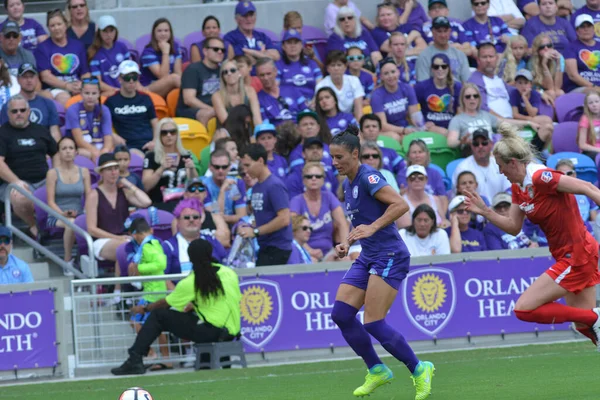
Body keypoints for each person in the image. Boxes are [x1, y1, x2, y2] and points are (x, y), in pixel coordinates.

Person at [464, 122, 600, 347]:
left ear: (514, 163)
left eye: (501, 166)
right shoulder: (518, 187)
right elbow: (513, 226)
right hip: (569, 255)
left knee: (523, 309)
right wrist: (486, 211)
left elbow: (587, 187)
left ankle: (595, 317)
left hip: (577, 255)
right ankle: (594, 319)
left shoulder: (541, 177)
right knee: (584, 326)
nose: (500, 172)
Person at [328, 126, 434, 398]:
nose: (334, 162)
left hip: (390, 254)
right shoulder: (347, 184)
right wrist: (347, 243)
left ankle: (419, 368)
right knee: (341, 314)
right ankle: (376, 369)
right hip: (369, 255)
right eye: (332, 157)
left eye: (339, 157)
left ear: (355, 154)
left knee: (373, 322)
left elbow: (400, 205)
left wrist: (372, 228)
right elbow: (361, 224)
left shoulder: (369, 176)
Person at [111, 238, 241, 376]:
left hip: (211, 332)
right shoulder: (229, 273)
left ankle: (135, 359)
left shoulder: (193, 281)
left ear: (190, 257)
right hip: (232, 331)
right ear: (210, 252)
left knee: (158, 315)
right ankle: (205, 364)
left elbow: (166, 303)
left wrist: (144, 309)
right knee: (197, 319)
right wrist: (195, 304)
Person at [0, 95, 57, 238]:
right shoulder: (2, 133)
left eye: (22, 110)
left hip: (44, 180)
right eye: (14, 111)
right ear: (8, 114)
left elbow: (56, 154)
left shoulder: (41, 130)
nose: (19, 113)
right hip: (13, 183)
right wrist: (15, 181)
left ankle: (50, 227)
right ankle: (35, 226)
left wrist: (55, 175)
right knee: (20, 197)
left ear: (29, 111)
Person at [86, 153, 151, 264]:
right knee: (128, 247)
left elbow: (146, 202)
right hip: (102, 240)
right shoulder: (94, 195)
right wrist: (116, 238)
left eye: (116, 168)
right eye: (109, 169)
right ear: (101, 172)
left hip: (124, 237)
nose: (114, 172)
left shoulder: (123, 191)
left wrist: (129, 185)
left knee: (149, 245)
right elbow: (92, 229)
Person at [124, 216, 170, 371]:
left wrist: (140, 270)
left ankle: (154, 354)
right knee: (157, 327)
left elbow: (161, 264)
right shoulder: (153, 243)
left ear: (136, 234)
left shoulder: (149, 246)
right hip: (153, 291)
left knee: (135, 321)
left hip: (153, 293)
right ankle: (164, 358)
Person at [239, 144, 293, 266]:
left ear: (260, 161)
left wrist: (256, 231)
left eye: (248, 165)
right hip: (266, 246)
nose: (246, 170)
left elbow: (284, 219)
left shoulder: (274, 185)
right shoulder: (257, 186)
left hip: (277, 248)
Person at [46, 137, 91, 268]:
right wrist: (62, 214)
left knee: (79, 221)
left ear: (76, 152)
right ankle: (67, 261)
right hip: (56, 215)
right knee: (71, 223)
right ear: (59, 153)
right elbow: (50, 201)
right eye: (64, 148)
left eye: (71, 148)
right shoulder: (52, 173)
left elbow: (89, 196)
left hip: (79, 213)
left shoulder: (84, 172)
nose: (68, 151)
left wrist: (86, 212)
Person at [290, 161, 348, 260]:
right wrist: (310, 251)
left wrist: (344, 247)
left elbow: (342, 223)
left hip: (329, 251)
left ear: (323, 180)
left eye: (318, 176)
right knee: (313, 262)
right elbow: (292, 230)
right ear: (303, 180)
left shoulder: (329, 197)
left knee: (345, 259)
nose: (313, 179)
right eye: (309, 176)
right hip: (305, 251)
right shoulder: (297, 201)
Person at [34, 9, 90, 107]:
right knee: (64, 98)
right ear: (48, 28)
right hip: (55, 88)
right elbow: (45, 76)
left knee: (91, 95)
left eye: (59, 24)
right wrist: (66, 86)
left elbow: (85, 73)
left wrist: (82, 84)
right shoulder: (43, 48)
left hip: (77, 85)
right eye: (52, 25)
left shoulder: (78, 45)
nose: (56, 28)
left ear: (66, 24)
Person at [163, 199, 228, 281]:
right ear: (178, 221)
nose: (191, 220)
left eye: (196, 217)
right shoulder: (168, 246)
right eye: (186, 217)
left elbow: (225, 266)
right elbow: (164, 277)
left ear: (201, 221)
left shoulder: (212, 241)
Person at [142, 118, 198, 211]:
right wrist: (161, 169)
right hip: (160, 205)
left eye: (172, 132)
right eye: (164, 133)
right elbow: (146, 186)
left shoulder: (186, 155)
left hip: (184, 205)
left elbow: (194, 183)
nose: (169, 135)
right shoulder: (151, 156)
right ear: (159, 135)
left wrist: (192, 169)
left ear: (177, 134)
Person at [105, 60, 158, 154]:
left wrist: (155, 141)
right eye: (127, 77)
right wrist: (113, 136)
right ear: (120, 79)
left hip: (150, 144)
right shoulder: (111, 101)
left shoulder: (146, 98)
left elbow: (155, 123)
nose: (131, 81)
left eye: (135, 77)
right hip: (128, 146)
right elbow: (103, 124)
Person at [0, 64, 60, 141]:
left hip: (43, 147)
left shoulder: (48, 104)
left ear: (37, 79)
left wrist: (54, 151)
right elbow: (4, 133)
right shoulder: (9, 105)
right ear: (18, 79)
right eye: (25, 77)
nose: (29, 80)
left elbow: (54, 132)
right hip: (17, 147)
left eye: (31, 76)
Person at [371, 58, 421, 141]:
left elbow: (415, 116)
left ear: (398, 72)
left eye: (393, 72)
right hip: (387, 131)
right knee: (396, 137)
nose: (390, 76)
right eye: (386, 73)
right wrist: (403, 130)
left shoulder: (407, 88)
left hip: (405, 127)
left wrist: (420, 128)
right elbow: (382, 125)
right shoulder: (377, 95)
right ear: (381, 77)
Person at [177, 37, 223, 126]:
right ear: (205, 51)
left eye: (222, 50)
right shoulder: (193, 69)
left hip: (215, 107)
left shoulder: (224, 70)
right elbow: (189, 100)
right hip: (191, 110)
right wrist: (214, 110)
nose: (220, 52)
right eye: (216, 49)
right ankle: (207, 140)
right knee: (206, 113)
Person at [65, 77, 113, 162]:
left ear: (99, 94)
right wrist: (96, 152)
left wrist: (104, 151)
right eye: (87, 93)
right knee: (89, 154)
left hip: (100, 144)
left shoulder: (104, 110)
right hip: (80, 147)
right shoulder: (72, 109)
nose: (90, 97)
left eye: (94, 93)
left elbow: (108, 137)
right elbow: (79, 141)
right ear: (81, 94)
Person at [414, 53, 461, 135]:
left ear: (449, 68)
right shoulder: (421, 87)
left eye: (444, 66)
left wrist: (454, 127)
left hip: (451, 128)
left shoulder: (457, 87)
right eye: (436, 67)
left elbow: (460, 112)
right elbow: (413, 110)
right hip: (429, 129)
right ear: (432, 69)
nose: (440, 69)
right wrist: (422, 123)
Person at [416, 16, 471, 83]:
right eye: (439, 31)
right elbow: (423, 85)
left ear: (450, 32)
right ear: (433, 32)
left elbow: (467, 83)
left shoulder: (460, 55)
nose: (443, 35)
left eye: (445, 31)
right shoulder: (424, 56)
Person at [88, 15, 132, 97]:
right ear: (99, 33)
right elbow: (98, 82)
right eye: (105, 31)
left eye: (111, 31)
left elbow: (130, 72)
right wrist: (116, 90)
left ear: (116, 31)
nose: (108, 34)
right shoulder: (94, 53)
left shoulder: (122, 47)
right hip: (108, 92)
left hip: (126, 89)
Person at [315, 50, 364, 122]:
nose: (336, 68)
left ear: (345, 67)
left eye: (339, 65)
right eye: (333, 65)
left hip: (350, 118)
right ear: (328, 68)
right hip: (330, 120)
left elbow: (358, 110)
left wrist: (358, 127)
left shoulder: (354, 81)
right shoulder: (321, 85)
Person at [256, 57, 305, 126]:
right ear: (257, 76)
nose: (266, 78)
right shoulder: (258, 99)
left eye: (268, 74)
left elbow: (306, 113)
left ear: (275, 72)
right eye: (262, 75)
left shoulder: (293, 90)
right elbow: (265, 125)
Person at [211, 58, 261, 126]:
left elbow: (257, 118)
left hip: (247, 132)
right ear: (223, 77)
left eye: (233, 70)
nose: (229, 74)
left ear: (239, 73)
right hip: (227, 133)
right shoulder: (217, 96)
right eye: (225, 72)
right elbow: (226, 123)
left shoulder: (250, 91)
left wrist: (259, 134)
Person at [139, 18, 181, 98]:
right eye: (159, 31)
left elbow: (178, 72)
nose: (163, 34)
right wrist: (165, 52)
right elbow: (163, 76)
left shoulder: (175, 46)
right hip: (149, 88)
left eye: (166, 30)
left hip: (169, 85)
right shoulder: (148, 52)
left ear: (170, 32)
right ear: (154, 33)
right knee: (174, 78)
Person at [277, 28, 322, 103]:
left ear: (301, 45)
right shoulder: (278, 65)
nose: (293, 46)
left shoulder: (312, 64)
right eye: (289, 43)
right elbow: (275, 90)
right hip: (290, 107)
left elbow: (320, 86)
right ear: (283, 46)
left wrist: (314, 102)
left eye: (296, 42)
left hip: (312, 105)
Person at [203, 149, 246, 225]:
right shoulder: (204, 185)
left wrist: (224, 217)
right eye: (216, 167)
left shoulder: (237, 183)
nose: (220, 170)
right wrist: (222, 191)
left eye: (224, 167)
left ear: (229, 167)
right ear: (210, 167)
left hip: (233, 226)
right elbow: (213, 218)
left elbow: (242, 216)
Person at [555, 159, 598, 232]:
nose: (566, 176)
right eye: (561, 174)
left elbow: (595, 220)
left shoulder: (586, 193)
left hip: (586, 234)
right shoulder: (551, 195)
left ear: (574, 175)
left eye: (569, 173)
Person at [564, 14, 600, 93]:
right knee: (592, 92)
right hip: (579, 88)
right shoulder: (571, 47)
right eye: (582, 27)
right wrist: (594, 87)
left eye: (589, 26)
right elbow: (573, 75)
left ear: (594, 29)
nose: (586, 29)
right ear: (577, 31)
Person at [528, 33, 564, 101]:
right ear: (537, 50)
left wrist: (558, 63)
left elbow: (557, 87)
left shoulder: (559, 58)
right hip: (537, 92)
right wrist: (544, 64)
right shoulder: (532, 63)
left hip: (552, 91)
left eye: (549, 46)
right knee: (551, 93)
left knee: (560, 92)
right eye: (542, 47)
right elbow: (549, 87)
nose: (546, 49)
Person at [578, 92, 600, 158]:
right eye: (591, 103)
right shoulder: (585, 119)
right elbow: (582, 145)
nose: (594, 105)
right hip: (590, 151)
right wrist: (598, 150)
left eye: (597, 101)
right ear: (587, 106)